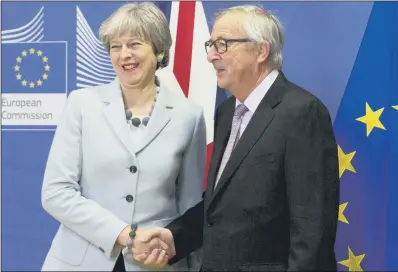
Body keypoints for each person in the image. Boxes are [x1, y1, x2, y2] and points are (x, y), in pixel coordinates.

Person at [130, 4, 340, 272]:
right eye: (211, 45)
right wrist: (175, 237)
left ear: (261, 51)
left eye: (223, 44)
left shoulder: (302, 112)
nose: (211, 56)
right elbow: (222, 206)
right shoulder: (228, 112)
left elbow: (313, 231)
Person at [40, 2, 206, 271]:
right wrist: (124, 234)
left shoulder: (189, 115)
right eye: (115, 46)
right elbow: (56, 192)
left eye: (134, 44)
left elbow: (190, 208)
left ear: (159, 49)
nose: (124, 54)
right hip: (81, 261)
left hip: (155, 263)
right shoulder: (82, 104)